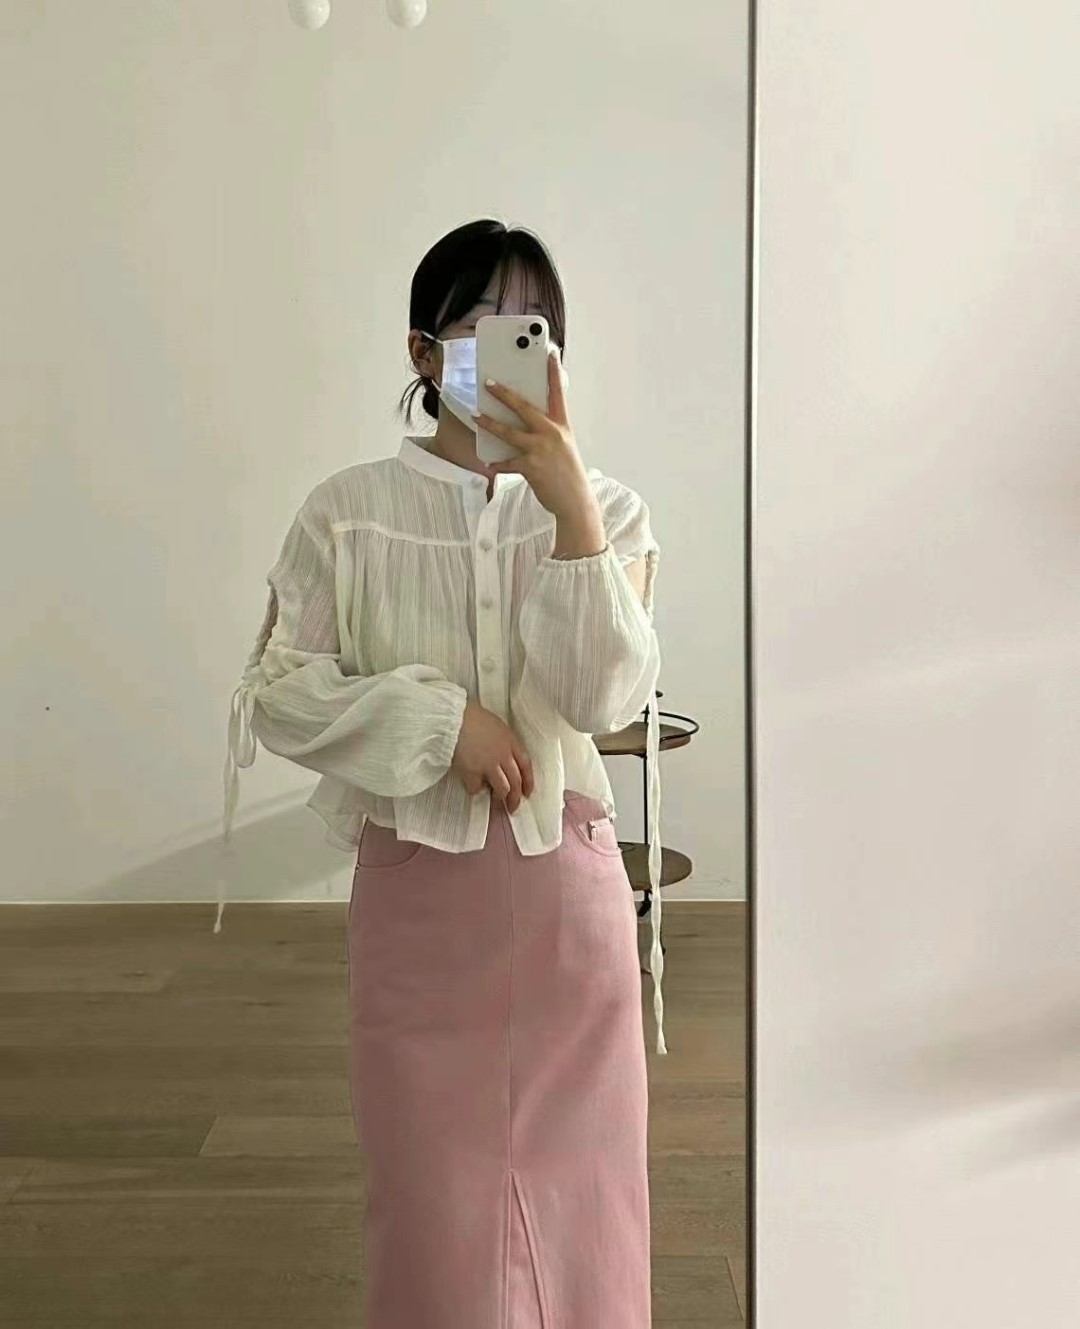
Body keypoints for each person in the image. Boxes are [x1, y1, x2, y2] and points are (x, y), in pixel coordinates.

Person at [218, 219, 666, 1327]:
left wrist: (568, 510)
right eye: (485, 325)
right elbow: (276, 690)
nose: (518, 346)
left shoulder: (610, 510)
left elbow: (606, 699)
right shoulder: (347, 512)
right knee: (428, 1207)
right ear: (424, 351)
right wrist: (436, 720)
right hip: (415, 903)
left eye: (538, 328)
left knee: (590, 1206)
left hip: (569, 901)